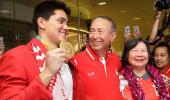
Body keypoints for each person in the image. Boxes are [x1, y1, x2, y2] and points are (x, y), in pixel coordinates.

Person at [0, 1, 73, 100]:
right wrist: (47, 72)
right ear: (41, 23)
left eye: (66, 23)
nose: (66, 27)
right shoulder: (16, 56)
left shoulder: (66, 58)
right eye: (61, 21)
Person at [69, 16, 122, 100]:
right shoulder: (75, 62)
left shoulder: (115, 60)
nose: (94, 36)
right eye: (91, 31)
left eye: (100, 31)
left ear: (112, 36)